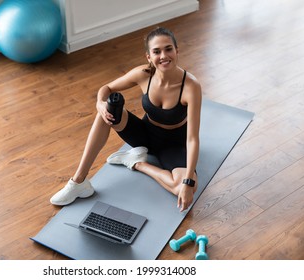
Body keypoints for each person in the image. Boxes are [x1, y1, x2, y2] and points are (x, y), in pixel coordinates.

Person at [50, 27, 202, 212]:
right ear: (149, 57)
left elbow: (192, 138)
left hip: (173, 144)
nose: (163, 56)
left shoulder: (191, 86)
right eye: (156, 51)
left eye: (168, 49)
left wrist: (187, 182)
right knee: (105, 111)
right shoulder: (143, 74)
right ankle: (78, 182)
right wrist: (100, 103)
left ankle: (137, 163)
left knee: (187, 188)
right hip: (144, 133)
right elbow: (106, 88)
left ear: (177, 51)